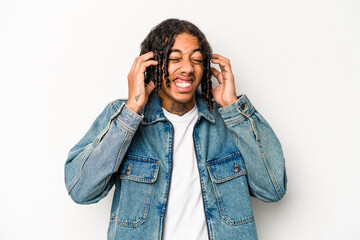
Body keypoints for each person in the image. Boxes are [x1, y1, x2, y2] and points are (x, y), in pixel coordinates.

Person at [64, 18, 287, 240]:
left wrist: (232, 108)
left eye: (197, 59)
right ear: (151, 65)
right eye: (174, 59)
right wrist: (132, 110)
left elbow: (272, 189)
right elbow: (81, 190)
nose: (187, 68)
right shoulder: (124, 116)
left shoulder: (228, 119)